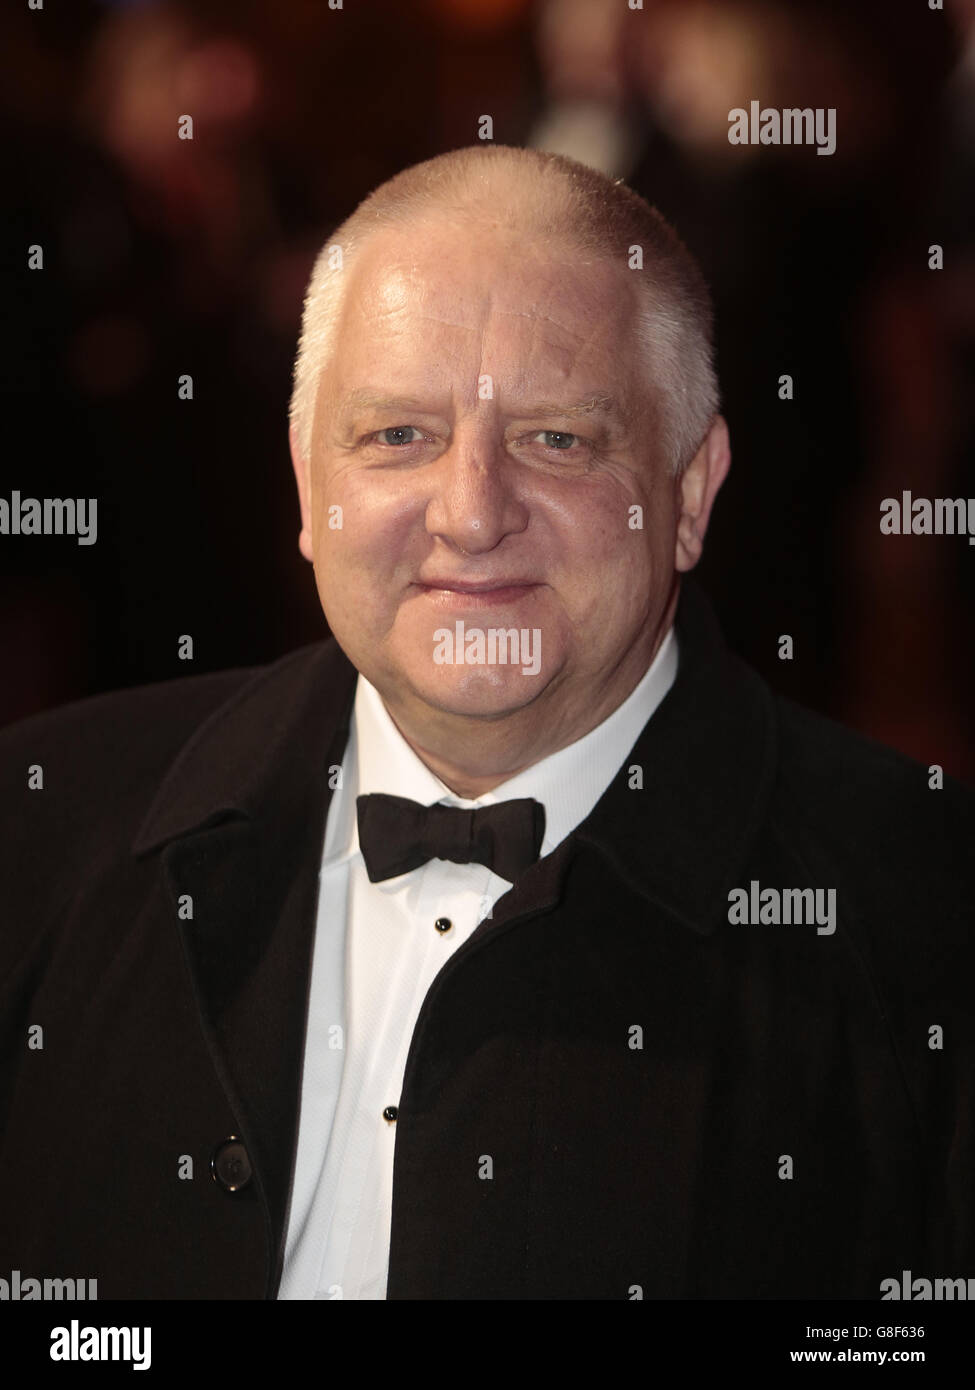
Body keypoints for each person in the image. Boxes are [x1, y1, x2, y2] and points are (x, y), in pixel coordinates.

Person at [0, 145, 971, 1301]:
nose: (469, 513)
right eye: (399, 435)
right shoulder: (37, 831)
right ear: (310, 489)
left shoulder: (933, 921)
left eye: (555, 438)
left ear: (691, 495)